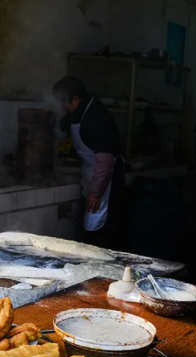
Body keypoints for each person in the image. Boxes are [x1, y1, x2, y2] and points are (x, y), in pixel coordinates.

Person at [53, 76, 125, 249]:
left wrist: (96, 192)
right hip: (91, 174)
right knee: (91, 227)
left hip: (106, 182)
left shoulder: (97, 118)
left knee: (100, 231)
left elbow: (105, 159)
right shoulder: (77, 113)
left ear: (76, 99)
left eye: (64, 101)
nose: (62, 106)